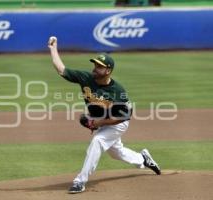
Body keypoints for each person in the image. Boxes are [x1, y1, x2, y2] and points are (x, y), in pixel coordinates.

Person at [48, 36, 161, 194]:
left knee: (98, 141)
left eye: (99, 66)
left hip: (118, 123)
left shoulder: (117, 91)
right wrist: (53, 49)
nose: (95, 68)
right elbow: (61, 69)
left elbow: (123, 117)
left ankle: (80, 181)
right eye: (95, 65)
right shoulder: (86, 78)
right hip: (101, 120)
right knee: (116, 153)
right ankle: (143, 159)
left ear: (108, 71)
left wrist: (98, 124)